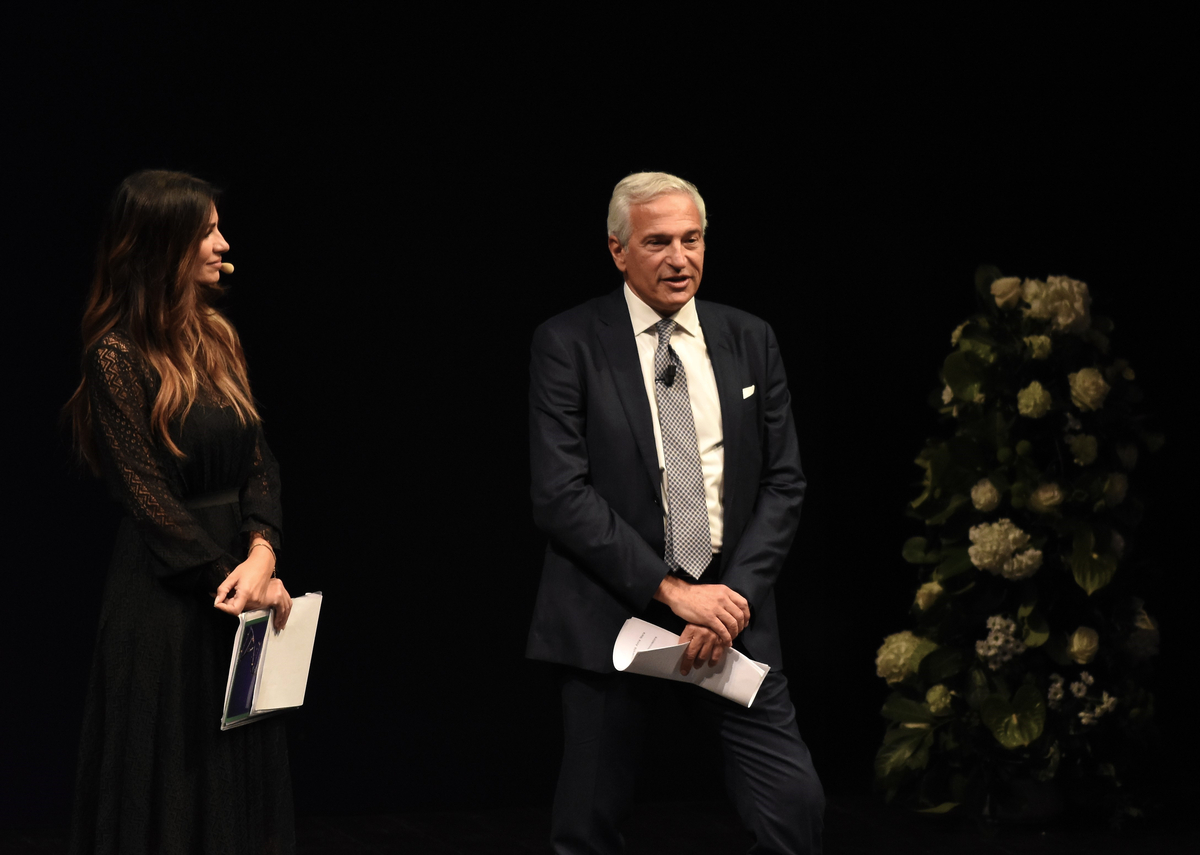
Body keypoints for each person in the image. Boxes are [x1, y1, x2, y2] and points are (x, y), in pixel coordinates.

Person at [527, 172, 825, 854]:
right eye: (658, 241)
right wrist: (673, 592)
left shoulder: (750, 338)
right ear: (617, 249)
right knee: (587, 827)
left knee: (793, 806)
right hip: (615, 611)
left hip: (727, 611)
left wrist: (729, 600)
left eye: (692, 240)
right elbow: (559, 494)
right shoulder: (568, 342)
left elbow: (785, 481)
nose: (679, 258)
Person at [65, 170, 295, 855]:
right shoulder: (117, 355)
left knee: (240, 784)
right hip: (169, 599)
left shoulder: (220, 338)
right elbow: (147, 497)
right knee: (172, 784)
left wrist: (263, 555)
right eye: (206, 232)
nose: (223, 244)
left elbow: (261, 462)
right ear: (161, 245)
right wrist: (235, 578)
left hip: (243, 585)